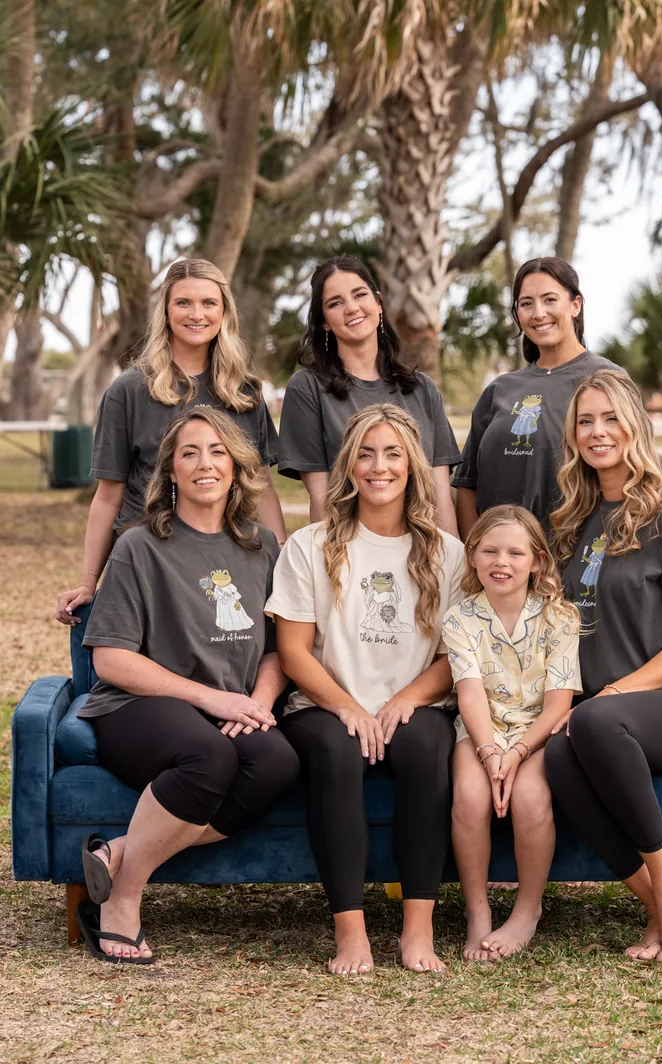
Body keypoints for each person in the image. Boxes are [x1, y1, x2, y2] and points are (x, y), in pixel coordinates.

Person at [74, 407, 299, 964]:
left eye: (218, 451)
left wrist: (260, 704)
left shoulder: (262, 545)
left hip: (233, 706)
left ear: (237, 466)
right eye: (189, 453)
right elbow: (111, 661)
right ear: (169, 470)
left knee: (276, 762)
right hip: (137, 706)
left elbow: (279, 649)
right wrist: (210, 697)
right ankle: (122, 901)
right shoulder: (139, 546)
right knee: (209, 756)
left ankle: (122, 852)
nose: (205, 464)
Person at [267, 404, 464, 976]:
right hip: (325, 704)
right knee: (333, 752)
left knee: (428, 750)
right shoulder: (310, 545)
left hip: (417, 701)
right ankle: (350, 931)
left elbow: (458, 657)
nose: (379, 467)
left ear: (413, 466)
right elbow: (294, 652)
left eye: (393, 454)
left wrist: (407, 699)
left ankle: (417, 929)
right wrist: (347, 706)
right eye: (366, 454)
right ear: (349, 466)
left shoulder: (446, 553)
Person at [545, 370, 662, 967]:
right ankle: (653, 905)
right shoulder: (570, 522)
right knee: (557, 755)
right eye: (585, 421)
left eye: (609, 418)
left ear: (635, 425)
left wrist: (610, 696)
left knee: (595, 724)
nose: (598, 432)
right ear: (573, 435)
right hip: (606, 710)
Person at [56, 257, 286, 626]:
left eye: (209, 303)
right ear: (165, 311)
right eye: (183, 303)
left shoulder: (244, 393)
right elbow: (107, 497)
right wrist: (88, 582)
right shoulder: (128, 390)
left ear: (224, 312)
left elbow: (261, 487)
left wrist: (283, 565)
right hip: (151, 561)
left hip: (228, 561)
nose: (197, 314)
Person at [445, 505, 581, 961]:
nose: (502, 562)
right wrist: (489, 754)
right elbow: (469, 696)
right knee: (468, 795)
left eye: (515, 553)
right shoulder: (460, 619)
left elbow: (559, 704)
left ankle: (527, 909)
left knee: (528, 798)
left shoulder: (560, 618)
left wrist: (518, 752)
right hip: (482, 729)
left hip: (538, 732)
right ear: (473, 557)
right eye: (490, 551)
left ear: (537, 560)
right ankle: (477, 911)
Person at [278, 255, 461, 533]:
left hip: (422, 553)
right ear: (324, 321)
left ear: (378, 303)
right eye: (335, 303)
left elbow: (441, 497)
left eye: (359, 295)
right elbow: (322, 498)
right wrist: (333, 567)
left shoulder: (422, 389)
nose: (351, 308)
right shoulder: (308, 389)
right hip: (350, 552)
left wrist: (451, 566)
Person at [453, 257, 625, 540]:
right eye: (526, 303)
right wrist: (478, 555)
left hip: (575, 564)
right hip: (502, 571)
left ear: (575, 305)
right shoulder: (499, 391)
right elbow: (467, 484)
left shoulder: (608, 379)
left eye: (550, 300)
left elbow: (632, 475)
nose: (538, 313)